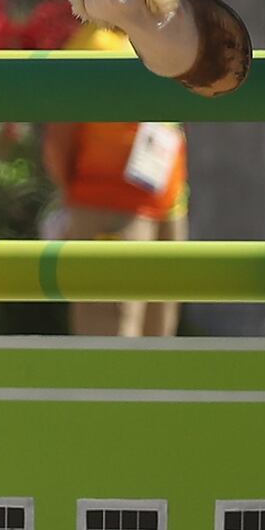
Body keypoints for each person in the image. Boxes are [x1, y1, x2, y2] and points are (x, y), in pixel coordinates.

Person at [38, 23, 189, 337]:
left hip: (166, 205)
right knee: (109, 332)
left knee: (158, 336)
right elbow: (59, 139)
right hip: (109, 209)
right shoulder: (90, 46)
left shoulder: (151, 36)